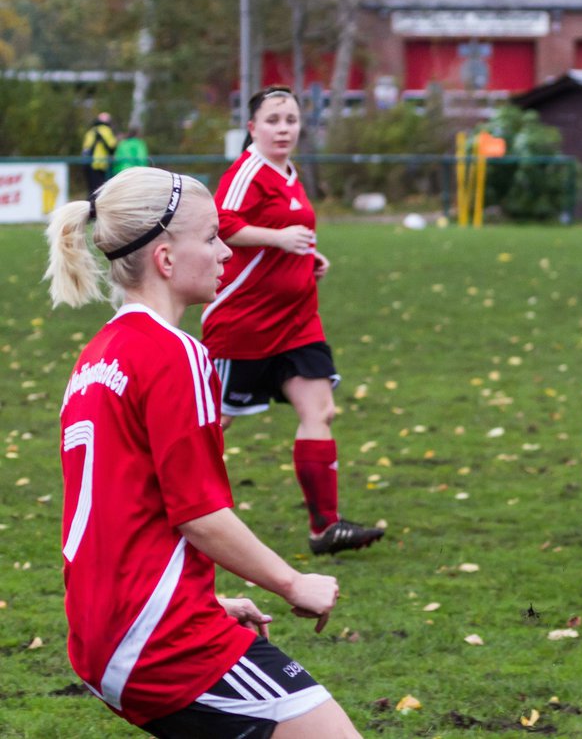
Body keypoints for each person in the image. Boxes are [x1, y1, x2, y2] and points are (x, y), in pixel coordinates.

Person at [44, 167, 360, 738]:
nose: (225, 253)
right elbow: (199, 515)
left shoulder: (98, 355)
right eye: (212, 237)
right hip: (159, 643)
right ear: (165, 259)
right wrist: (292, 583)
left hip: (102, 630)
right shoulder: (177, 354)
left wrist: (207, 601)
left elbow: (125, 510)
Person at [202, 85, 383, 555]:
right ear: (252, 128)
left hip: (298, 321)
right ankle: (171, 509)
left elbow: (286, 233)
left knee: (319, 410)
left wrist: (307, 257)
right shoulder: (248, 171)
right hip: (244, 321)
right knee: (209, 426)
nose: (284, 129)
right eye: (273, 120)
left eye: (291, 120)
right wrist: (280, 240)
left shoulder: (288, 173)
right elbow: (220, 223)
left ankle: (326, 528)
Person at [80, 112, 118, 196]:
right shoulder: (107, 131)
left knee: (91, 190)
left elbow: (85, 148)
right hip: (100, 165)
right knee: (101, 192)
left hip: (88, 164)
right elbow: (112, 146)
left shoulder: (91, 131)